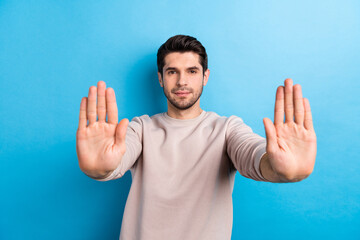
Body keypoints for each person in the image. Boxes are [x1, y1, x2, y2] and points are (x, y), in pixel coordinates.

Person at [76, 35, 317, 240]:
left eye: (192, 71)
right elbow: (115, 160)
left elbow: (253, 155)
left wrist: (279, 168)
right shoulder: (140, 129)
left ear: (205, 76)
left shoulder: (227, 129)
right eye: (172, 72)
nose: (182, 81)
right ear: (160, 78)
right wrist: (100, 169)